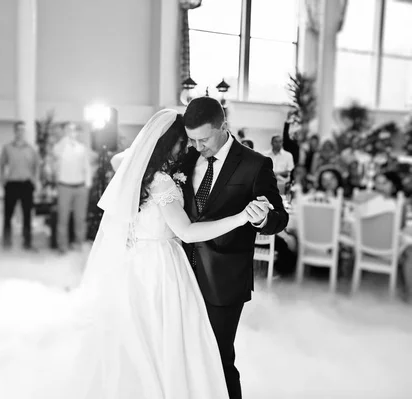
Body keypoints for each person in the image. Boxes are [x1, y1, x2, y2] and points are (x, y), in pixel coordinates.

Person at [34, 109, 274, 399]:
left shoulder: (141, 171)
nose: (191, 147)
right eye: (185, 141)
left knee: (174, 348)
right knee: (168, 346)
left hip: (169, 270)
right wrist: (240, 218)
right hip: (163, 269)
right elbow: (186, 232)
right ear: (169, 143)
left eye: (198, 140)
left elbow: (118, 159)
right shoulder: (163, 179)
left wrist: (261, 218)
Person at [182, 97, 289, 399]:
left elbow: (280, 217)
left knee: (219, 358)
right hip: (180, 273)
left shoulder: (255, 164)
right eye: (192, 139)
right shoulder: (187, 157)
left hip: (225, 278)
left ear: (223, 127)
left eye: (203, 139)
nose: (197, 146)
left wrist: (263, 219)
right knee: (186, 354)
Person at [0, 121, 39, 249]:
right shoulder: (7, 147)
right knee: (7, 215)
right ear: (14, 131)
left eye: (23, 130)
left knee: (27, 215)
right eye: (18, 129)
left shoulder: (32, 148)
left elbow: (37, 166)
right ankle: (6, 242)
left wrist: (35, 181)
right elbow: (1, 164)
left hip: (27, 185)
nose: (20, 132)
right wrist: (2, 179)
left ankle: (27, 242)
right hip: (12, 184)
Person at [52, 122, 92, 253]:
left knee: (80, 218)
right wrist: (65, 138)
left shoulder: (81, 148)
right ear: (65, 131)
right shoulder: (60, 147)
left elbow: (87, 167)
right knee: (63, 218)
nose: (72, 132)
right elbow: (56, 153)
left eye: (74, 130)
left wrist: (87, 185)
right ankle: (62, 246)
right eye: (69, 129)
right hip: (64, 187)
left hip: (80, 187)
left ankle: (79, 244)